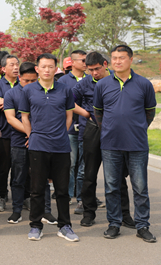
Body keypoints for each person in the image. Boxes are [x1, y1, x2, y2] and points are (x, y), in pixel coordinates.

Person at [94, 45, 156, 242]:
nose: (117, 61)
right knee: (112, 186)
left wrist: (138, 128)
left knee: (140, 188)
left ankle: (142, 225)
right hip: (110, 144)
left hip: (137, 144)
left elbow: (150, 111)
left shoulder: (144, 84)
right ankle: (114, 223)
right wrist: (108, 129)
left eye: (121, 57)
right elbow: (98, 111)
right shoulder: (102, 84)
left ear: (130, 59)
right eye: (114, 58)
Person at [20, 53, 78, 242]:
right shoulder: (28, 90)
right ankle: (36, 226)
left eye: (50, 66)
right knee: (37, 189)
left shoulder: (65, 90)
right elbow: (25, 117)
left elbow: (69, 116)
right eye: (43, 66)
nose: (47, 70)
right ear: (37, 69)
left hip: (61, 146)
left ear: (55, 69)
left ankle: (65, 226)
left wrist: (60, 133)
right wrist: (32, 136)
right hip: (38, 146)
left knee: (62, 190)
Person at [72, 51, 133, 228]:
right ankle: (88, 213)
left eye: (97, 69)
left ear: (105, 64)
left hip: (116, 131)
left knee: (118, 175)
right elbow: (68, 101)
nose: (94, 73)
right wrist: (86, 114)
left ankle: (124, 214)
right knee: (89, 174)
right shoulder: (84, 83)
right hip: (92, 130)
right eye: (90, 70)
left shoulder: (118, 79)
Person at [3, 62, 38, 224]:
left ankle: (43, 210)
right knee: (18, 177)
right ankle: (16, 210)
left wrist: (35, 136)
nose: (29, 84)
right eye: (26, 81)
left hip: (40, 140)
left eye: (33, 81)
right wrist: (31, 134)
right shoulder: (11, 94)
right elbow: (11, 118)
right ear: (19, 78)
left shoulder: (41, 92)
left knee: (40, 177)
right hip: (19, 141)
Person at [57, 49, 87, 214]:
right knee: (70, 164)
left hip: (87, 129)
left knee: (84, 166)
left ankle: (83, 197)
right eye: (83, 60)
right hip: (69, 128)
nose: (85, 63)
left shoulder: (90, 78)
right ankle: (67, 195)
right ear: (73, 62)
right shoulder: (63, 81)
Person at [0, 54, 20, 213]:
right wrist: (19, 101)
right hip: (3, 133)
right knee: (1, 168)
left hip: (21, 132)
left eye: (17, 64)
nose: (15, 67)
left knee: (20, 167)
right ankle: (1, 196)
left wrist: (7, 102)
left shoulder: (23, 83)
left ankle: (22, 197)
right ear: (3, 68)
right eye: (11, 65)